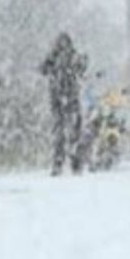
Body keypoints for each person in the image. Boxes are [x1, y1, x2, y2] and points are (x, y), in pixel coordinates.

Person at [40, 32, 87, 176]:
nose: (63, 46)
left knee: (67, 132)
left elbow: (82, 69)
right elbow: (43, 69)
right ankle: (67, 163)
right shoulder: (56, 57)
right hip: (63, 100)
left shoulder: (66, 57)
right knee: (65, 133)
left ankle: (69, 163)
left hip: (66, 99)